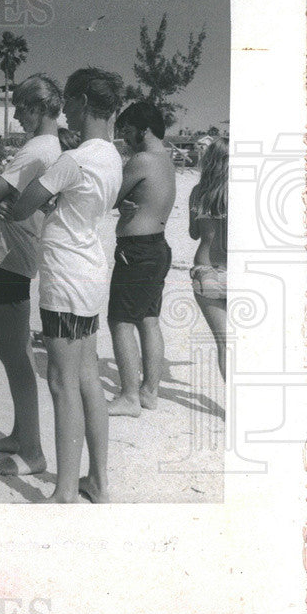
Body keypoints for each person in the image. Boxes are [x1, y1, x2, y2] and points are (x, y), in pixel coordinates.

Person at [2, 68, 124, 503]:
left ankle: (66, 491)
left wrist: (39, 195)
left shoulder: (77, 158)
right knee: (88, 378)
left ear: (86, 103)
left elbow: (21, 206)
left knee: (61, 382)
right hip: (91, 267)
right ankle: (98, 482)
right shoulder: (109, 155)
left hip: (67, 273)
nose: (65, 110)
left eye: (70, 101)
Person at [0, 74, 64, 476]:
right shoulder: (52, 147)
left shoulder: (37, 148)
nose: (17, 117)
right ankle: (20, 434)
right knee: (16, 348)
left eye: (22, 109)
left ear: (39, 108)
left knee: (14, 352)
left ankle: (32, 451)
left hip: (10, 254)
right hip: (17, 251)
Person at [107, 102, 177, 416]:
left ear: (143, 130)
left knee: (120, 321)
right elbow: (134, 198)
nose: (124, 137)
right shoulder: (166, 160)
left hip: (137, 251)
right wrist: (122, 205)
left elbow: (107, 196)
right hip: (157, 248)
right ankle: (149, 391)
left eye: (127, 131)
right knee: (148, 321)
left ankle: (129, 397)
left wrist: (117, 204)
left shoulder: (141, 160)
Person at [189, 137, 228, 379]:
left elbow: (193, 233)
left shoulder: (197, 192)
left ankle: (231, 406)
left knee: (225, 343)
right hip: (235, 269)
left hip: (206, 272)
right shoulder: (239, 190)